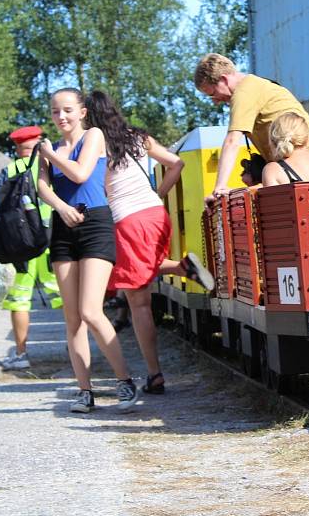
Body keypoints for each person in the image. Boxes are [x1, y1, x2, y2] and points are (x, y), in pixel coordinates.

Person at [85, 90, 214, 395]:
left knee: (139, 304)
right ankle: (183, 268)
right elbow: (177, 164)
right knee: (143, 270)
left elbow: (96, 188)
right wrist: (160, 195)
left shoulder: (96, 145)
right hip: (156, 215)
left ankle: (155, 375)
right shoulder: (138, 137)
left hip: (127, 221)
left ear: (88, 118)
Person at [36, 87, 139, 414]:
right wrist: (61, 207)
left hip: (95, 222)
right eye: (55, 111)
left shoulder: (92, 135)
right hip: (64, 225)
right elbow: (41, 186)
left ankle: (124, 381)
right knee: (72, 318)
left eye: (67, 110)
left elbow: (80, 172)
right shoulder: (49, 147)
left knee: (91, 310)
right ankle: (84, 391)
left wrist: (50, 156)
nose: (61, 117)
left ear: (81, 111)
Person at [0, 125, 63, 370]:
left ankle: (21, 354)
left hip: (21, 245)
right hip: (53, 240)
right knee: (65, 296)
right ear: (39, 142)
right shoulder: (54, 166)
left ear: (16, 148)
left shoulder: (10, 170)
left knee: (20, 300)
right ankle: (77, 345)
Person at [193, 53, 309, 199]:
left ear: (224, 79)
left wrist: (219, 188)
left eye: (213, 94)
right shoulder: (256, 85)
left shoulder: (243, 92)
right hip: (304, 167)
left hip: (301, 171)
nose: (215, 101)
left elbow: (232, 141)